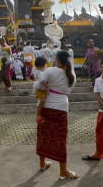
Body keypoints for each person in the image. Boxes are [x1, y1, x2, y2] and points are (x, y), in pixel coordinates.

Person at [33, 50, 78, 179]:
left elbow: (36, 85)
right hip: (61, 107)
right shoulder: (72, 75)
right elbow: (67, 91)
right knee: (60, 139)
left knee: (43, 135)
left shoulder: (50, 71)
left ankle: (42, 164)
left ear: (56, 59)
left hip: (46, 107)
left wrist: (46, 88)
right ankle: (63, 170)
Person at [33, 56, 49, 123]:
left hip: (42, 89)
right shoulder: (38, 72)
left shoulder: (41, 71)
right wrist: (47, 87)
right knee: (42, 100)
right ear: (42, 64)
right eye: (46, 64)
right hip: (40, 90)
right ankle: (38, 115)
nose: (46, 66)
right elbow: (42, 80)